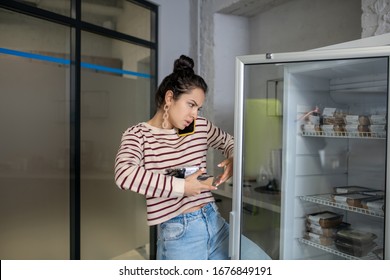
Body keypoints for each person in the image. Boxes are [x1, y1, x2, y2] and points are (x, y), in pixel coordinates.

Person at [114, 55, 270, 260]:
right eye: (191, 105)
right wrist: (183, 187)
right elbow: (124, 174)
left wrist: (233, 157)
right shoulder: (138, 134)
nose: (195, 114)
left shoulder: (198, 127)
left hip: (215, 222)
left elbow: (230, 142)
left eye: (198, 108)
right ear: (170, 98)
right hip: (180, 234)